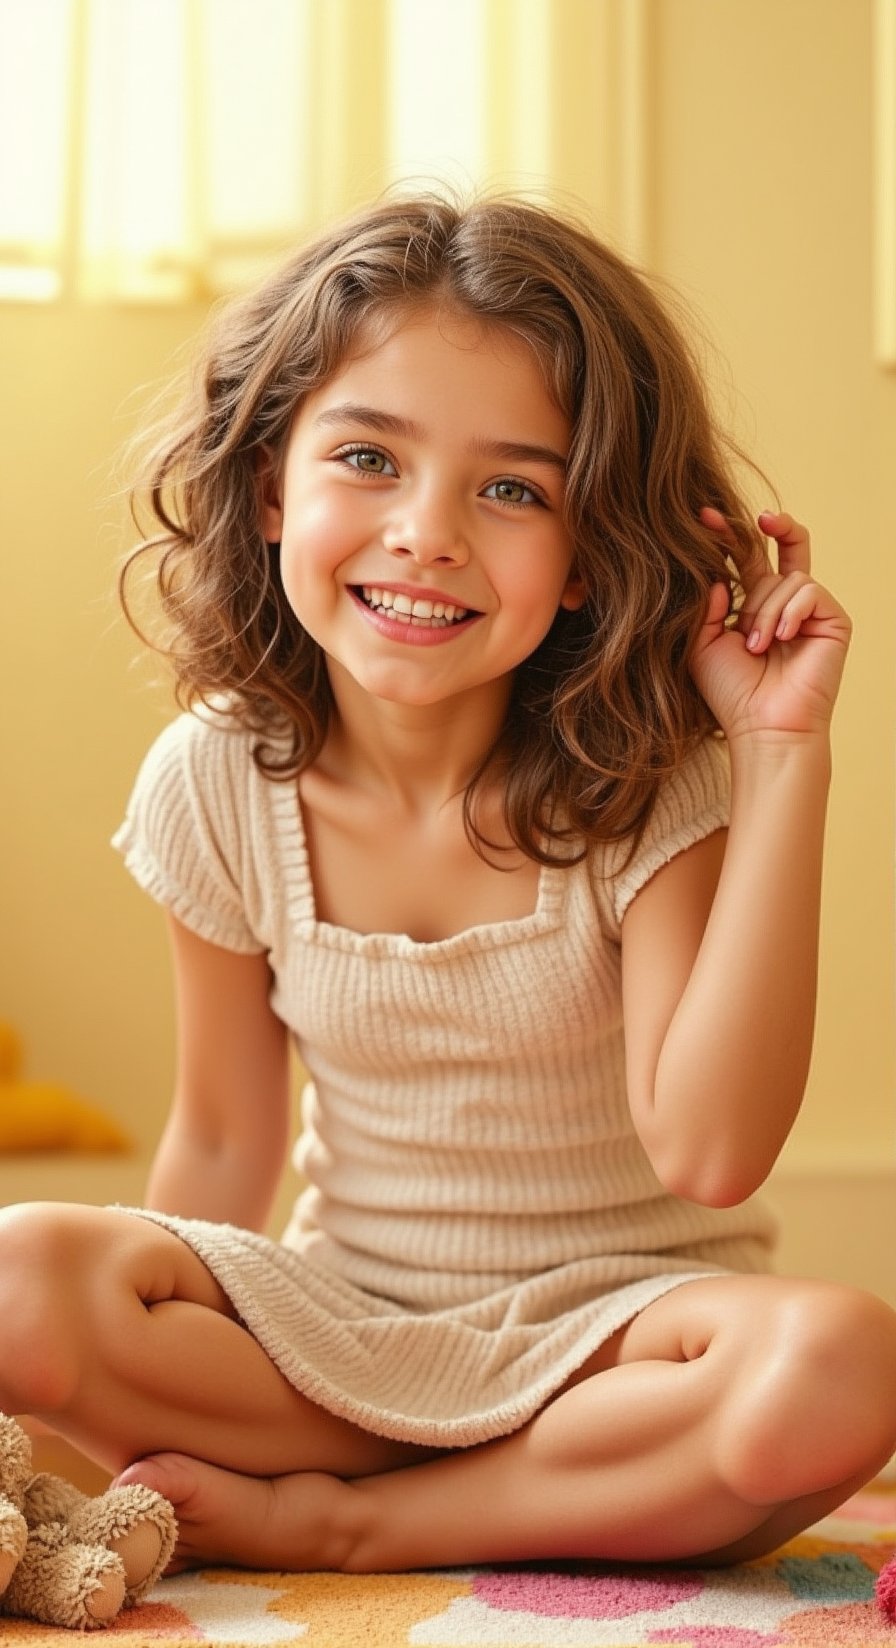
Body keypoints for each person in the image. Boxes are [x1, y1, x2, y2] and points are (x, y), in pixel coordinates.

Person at [3, 193, 894, 1578]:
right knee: (17, 1277)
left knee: (837, 1367)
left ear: (593, 555)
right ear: (270, 488)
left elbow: (712, 1156)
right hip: (332, 1335)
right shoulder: (215, 778)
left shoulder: (652, 780)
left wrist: (779, 755)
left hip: (612, 1354)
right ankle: (439, 1481)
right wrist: (99, 1387)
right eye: (368, 456)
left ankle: (356, 1524)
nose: (426, 533)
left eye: (512, 488)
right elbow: (226, 1148)